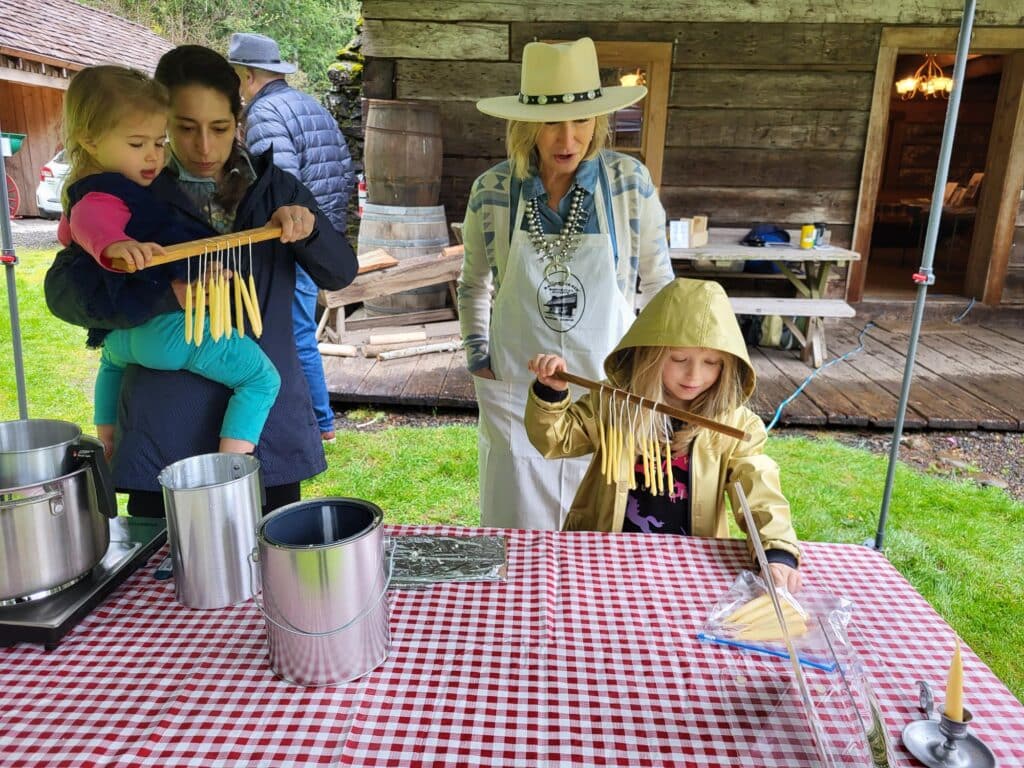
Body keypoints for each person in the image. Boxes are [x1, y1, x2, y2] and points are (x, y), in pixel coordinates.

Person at [44, 45, 359, 518]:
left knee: (271, 567)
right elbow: (65, 293)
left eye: (220, 128)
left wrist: (309, 229)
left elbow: (340, 272)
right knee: (162, 579)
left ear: (240, 120)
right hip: (165, 429)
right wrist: (160, 292)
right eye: (185, 129)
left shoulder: (275, 187)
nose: (205, 148)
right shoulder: (129, 192)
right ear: (161, 121)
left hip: (262, 436)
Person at [459, 37, 675, 529]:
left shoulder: (628, 185)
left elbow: (661, 283)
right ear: (525, 124)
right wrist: (480, 359)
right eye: (551, 122)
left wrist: (653, 366)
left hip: (607, 390)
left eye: (580, 121)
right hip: (517, 388)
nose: (567, 139)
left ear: (598, 121)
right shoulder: (492, 191)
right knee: (518, 533)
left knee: (604, 524)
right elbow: (473, 284)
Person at [56, 64, 280, 460]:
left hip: (122, 341)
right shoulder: (102, 195)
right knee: (261, 378)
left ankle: (107, 437)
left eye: (159, 143)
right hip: (170, 331)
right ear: (89, 139)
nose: (153, 156)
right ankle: (230, 468)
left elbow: (70, 232)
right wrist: (113, 246)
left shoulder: (100, 188)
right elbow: (90, 222)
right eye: (137, 143)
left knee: (109, 365)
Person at [525, 279, 801, 591]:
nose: (694, 375)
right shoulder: (614, 403)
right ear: (650, 353)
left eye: (711, 362)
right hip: (604, 555)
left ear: (728, 365)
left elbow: (757, 483)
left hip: (689, 566)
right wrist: (550, 393)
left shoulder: (736, 424)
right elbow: (555, 439)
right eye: (679, 359)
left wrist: (776, 550)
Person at [228, 31, 356, 444]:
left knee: (294, 333)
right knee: (300, 332)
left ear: (248, 76)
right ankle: (313, 419)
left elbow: (278, 187)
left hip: (293, 241)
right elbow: (344, 169)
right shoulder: (308, 104)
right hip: (323, 234)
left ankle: (318, 422)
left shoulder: (264, 114)